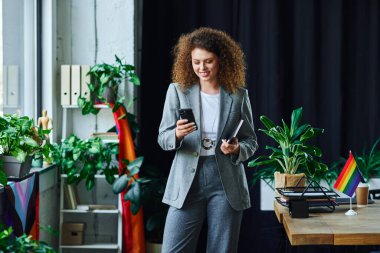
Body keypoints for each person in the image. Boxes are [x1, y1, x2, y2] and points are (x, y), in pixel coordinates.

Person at [157, 27, 258, 253]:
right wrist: (177, 134)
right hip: (186, 180)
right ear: (188, 61)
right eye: (196, 62)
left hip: (226, 183)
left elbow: (251, 141)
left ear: (221, 60)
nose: (201, 68)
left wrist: (236, 148)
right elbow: (163, 138)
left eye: (208, 61)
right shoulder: (177, 91)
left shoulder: (239, 95)